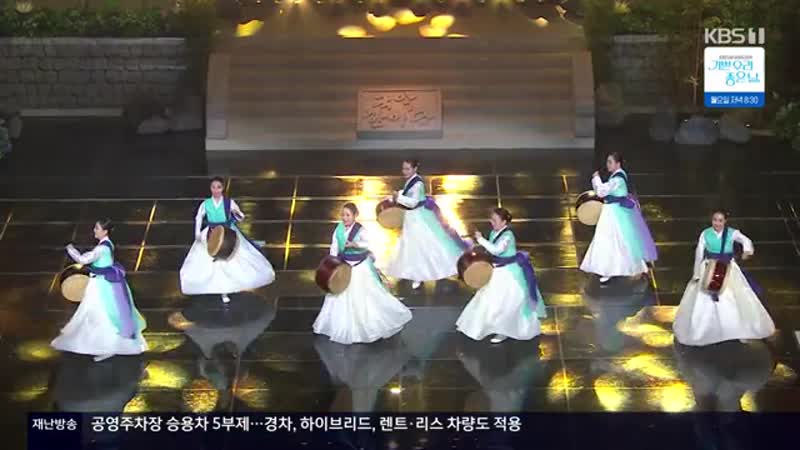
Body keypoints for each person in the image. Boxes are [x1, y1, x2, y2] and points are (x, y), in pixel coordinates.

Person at [314, 203, 413, 345]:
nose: (345, 218)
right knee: (339, 295)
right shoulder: (339, 229)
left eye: (348, 215)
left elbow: (368, 244)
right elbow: (334, 246)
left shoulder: (360, 230)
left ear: (355, 216)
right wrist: (333, 262)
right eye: (343, 215)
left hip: (359, 266)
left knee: (363, 294)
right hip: (344, 266)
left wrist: (355, 245)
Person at [673, 210, 775, 346]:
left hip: (728, 269)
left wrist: (747, 251)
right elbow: (699, 252)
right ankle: (703, 330)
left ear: (725, 221)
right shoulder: (706, 233)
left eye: (720, 220)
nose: (717, 223)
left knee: (731, 296)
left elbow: (746, 240)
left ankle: (736, 329)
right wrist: (697, 272)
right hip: (709, 267)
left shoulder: (732, 233)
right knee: (704, 297)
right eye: (715, 220)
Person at [51, 219, 147, 362]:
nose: (94, 230)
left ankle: (107, 346)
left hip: (101, 285)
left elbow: (83, 259)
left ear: (105, 231)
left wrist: (70, 248)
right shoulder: (107, 244)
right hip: (106, 282)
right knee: (107, 313)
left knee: (101, 313)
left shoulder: (101, 249)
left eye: (97, 228)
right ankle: (107, 345)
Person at [456, 208, 547, 344]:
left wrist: (480, 239)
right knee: (488, 299)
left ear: (504, 222)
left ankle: (504, 331)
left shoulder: (508, 236)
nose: (491, 222)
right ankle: (481, 326)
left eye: (495, 220)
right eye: (491, 219)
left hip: (509, 273)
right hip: (497, 270)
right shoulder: (494, 232)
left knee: (506, 302)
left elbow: (497, 250)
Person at [180, 176, 275, 303]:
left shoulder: (228, 202)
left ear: (222, 188)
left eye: (218, 187)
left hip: (228, 233)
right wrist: (197, 234)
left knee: (233, 260)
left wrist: (237, 214)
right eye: (213, 187)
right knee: (213, 263)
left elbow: (240, 215)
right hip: (212, 234)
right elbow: (199, 217)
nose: (216, 190)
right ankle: (221, 290)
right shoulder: (206, 203)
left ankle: (232, 286)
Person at [383, 159, 469, 289]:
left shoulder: (418, 184)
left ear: (415, 169)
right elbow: (408, 193)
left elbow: (413, 202)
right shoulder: (411, 181)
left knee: (424, 245)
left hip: (419, 218)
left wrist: (398, 198)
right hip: (412, 217)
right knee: (414, 246)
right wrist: (398, 195)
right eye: (403, 168)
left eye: (407, 169)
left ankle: (429, 273)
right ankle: (416, 275)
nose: (404, 171)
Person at [580, 152, 658, 283]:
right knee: (613, 240)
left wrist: (596, 178)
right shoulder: (617, 176)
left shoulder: (618, 179)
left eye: (610, 162)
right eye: (607, 162)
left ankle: (615, 269)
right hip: (612, 211)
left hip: (614, 213)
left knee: (613, 239)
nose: (608, 164)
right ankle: (609, 269)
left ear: (618, 163)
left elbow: (601, 191)